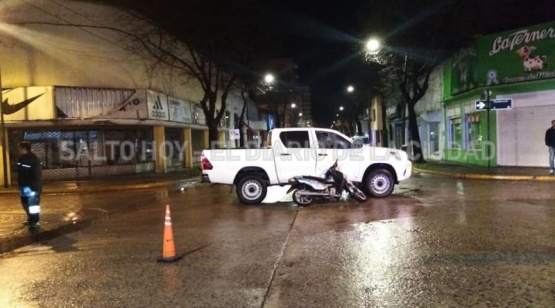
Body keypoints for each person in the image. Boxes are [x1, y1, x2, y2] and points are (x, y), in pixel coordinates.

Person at [16, 141, 43, 229]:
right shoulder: (22, 158)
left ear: (24, 149)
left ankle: (34, 221)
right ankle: (31, 219)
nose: (18, 150)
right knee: (25, 204)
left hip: (31, 187)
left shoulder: (32, 159)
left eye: (19, 148)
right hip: (24, 186)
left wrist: (34, 188)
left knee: (33, 205)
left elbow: (36, 175)